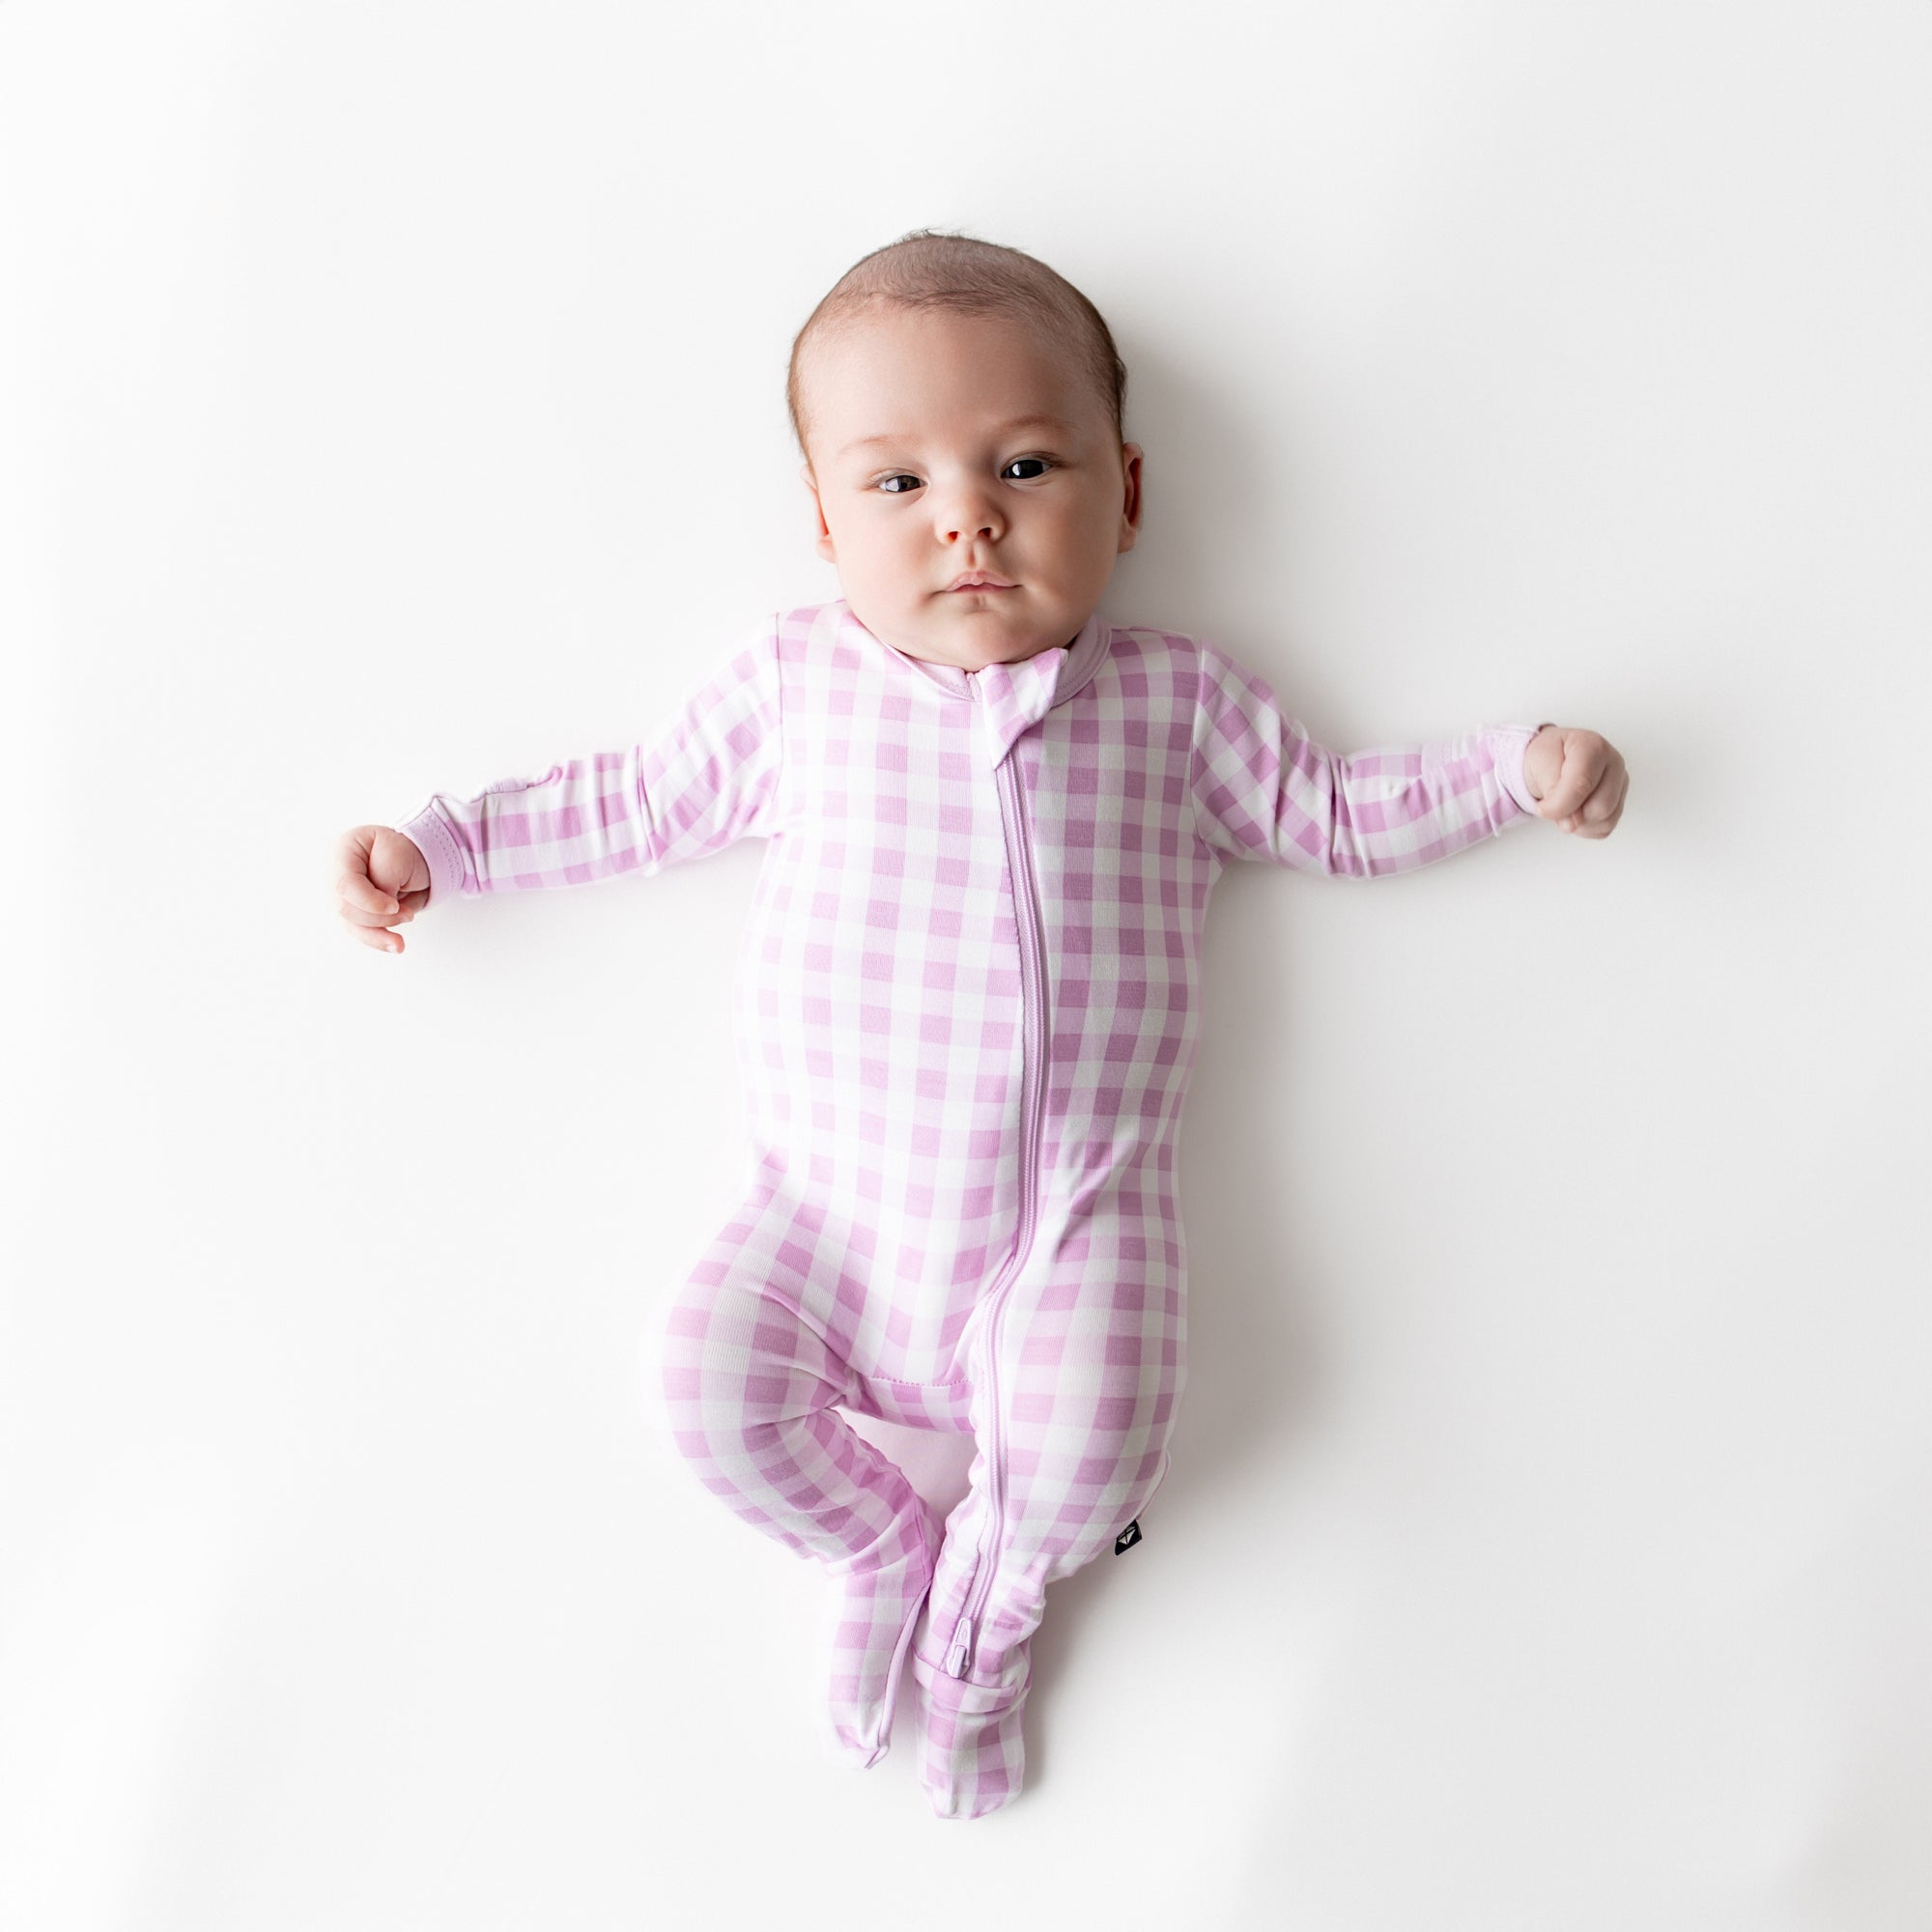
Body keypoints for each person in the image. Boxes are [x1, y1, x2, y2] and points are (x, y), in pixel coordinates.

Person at [327, 229, 1629, 1820]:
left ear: (1128, 493)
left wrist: (1509, 772)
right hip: (824, 1224)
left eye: (1024, 462)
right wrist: (447, 846)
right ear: (820, 521)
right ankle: (881, 1544)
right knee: (697, 1384)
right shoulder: (797, 690)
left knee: (1092, 1460)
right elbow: (639, 803)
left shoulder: (1175, 705)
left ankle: (986, 1626)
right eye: (896, 485)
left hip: (1075, 1224)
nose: (967, 517)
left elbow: (1335, 815)